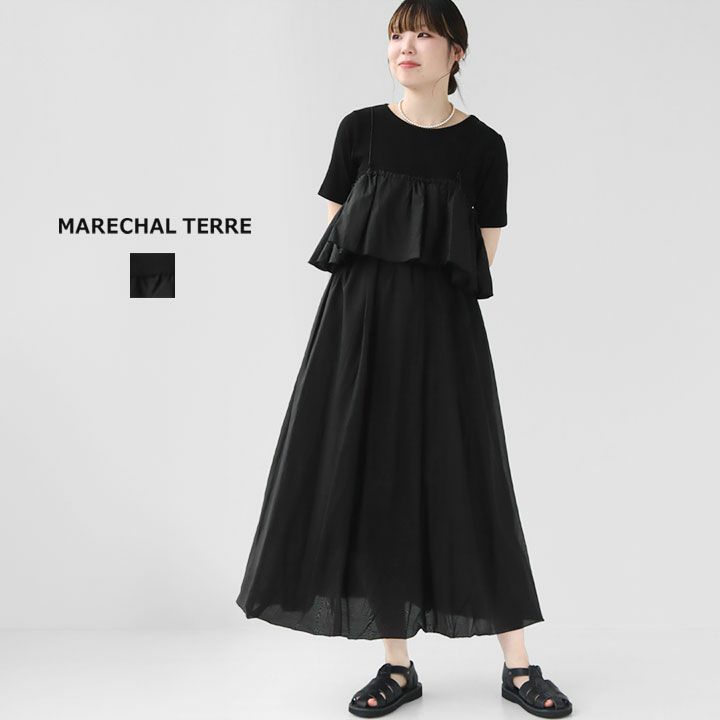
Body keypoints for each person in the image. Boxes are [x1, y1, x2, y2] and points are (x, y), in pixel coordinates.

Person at [236, 0, 573, 716]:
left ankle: (519, 669)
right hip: (357, 332)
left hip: (445, 336)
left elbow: (483, 254)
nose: (405, 46)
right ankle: (397, 667)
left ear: (457, 53)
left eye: (423, 34)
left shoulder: (483, 146)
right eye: (396, 35)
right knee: (374, 480)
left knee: (472, 481)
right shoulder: (358, 130)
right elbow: (345, 236)